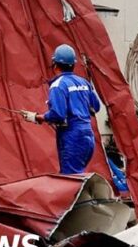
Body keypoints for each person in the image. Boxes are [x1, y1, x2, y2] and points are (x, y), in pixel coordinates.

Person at [21, 44, 101, 174]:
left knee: (71, 179)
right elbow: (95, 107)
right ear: (73, 64)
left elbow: (58, 114)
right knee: (78, 175)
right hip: (87, 137)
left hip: (72, 138)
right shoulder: (83, 82)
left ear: (55, 65)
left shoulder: (58, 85)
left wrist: (37, 117)